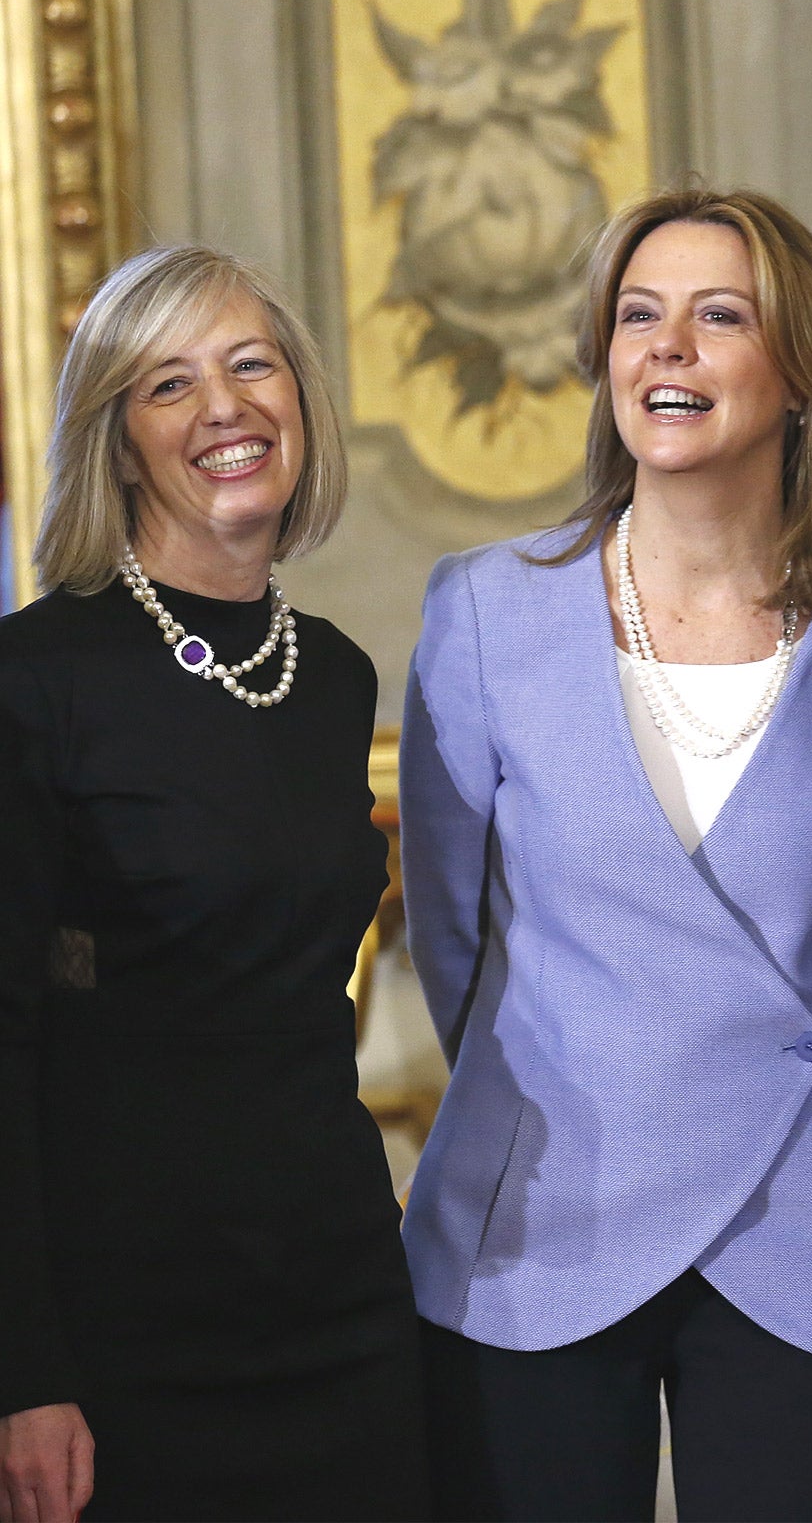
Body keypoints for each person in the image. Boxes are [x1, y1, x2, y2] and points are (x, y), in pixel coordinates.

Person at [400, 188, 812, 1521]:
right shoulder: (485, 611)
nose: (668, 348)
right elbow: (455, 947)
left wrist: (781, 1089)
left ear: (802, 372)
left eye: (720, 317)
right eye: (639, 318)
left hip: (808, 1224)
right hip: (535, 1217)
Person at [0, 245, 427, 1520]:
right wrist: (21, 1372)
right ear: (118, 441)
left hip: (340, 1297)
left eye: (251, 365)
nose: (226, 408)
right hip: (119, 1333)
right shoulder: (35, 683)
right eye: (168, 385)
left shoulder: (335, 675)